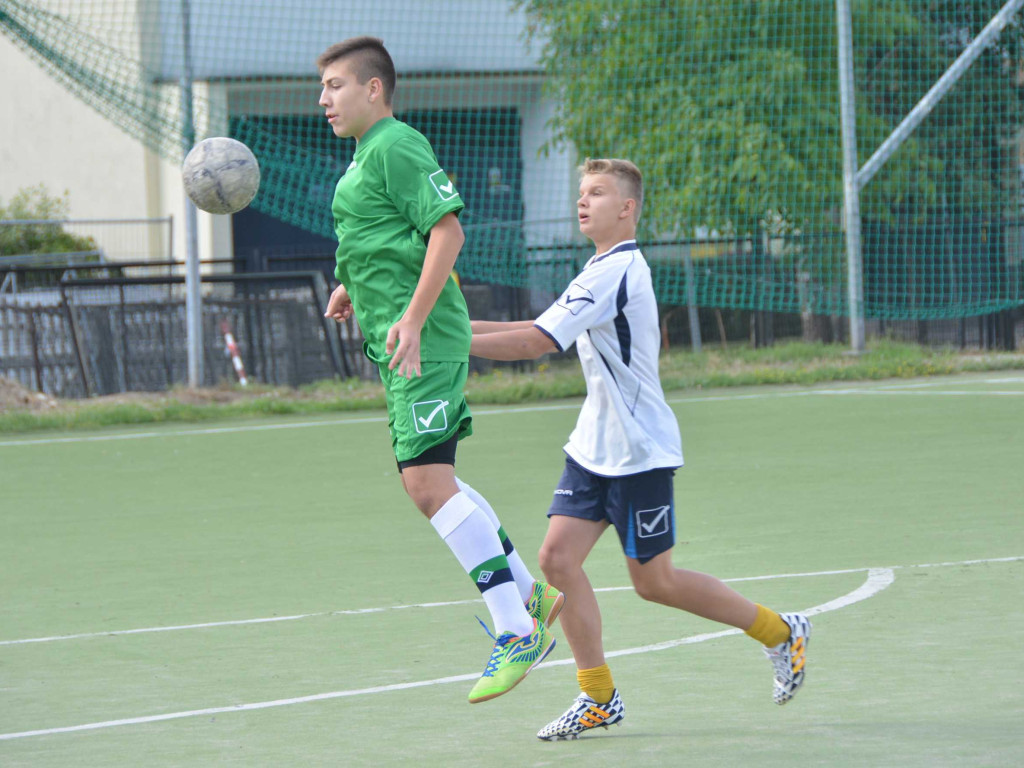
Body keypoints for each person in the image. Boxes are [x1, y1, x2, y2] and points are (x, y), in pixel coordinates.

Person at [470, 158, 811, 739]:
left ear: (627, 209)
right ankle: (598, 696)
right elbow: (536, 322)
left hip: (639, 451)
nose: (583, 201)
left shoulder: (619, 270)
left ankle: (781, 631)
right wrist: (428, 324)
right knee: (555, 561)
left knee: (655, 583)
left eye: (597, 193)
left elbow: (534, 341)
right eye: (581, 192)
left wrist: (437, 334)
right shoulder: (597, 267)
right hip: (593, 445)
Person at [317, 36, 563, 704]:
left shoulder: (396, 144)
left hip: (423, 341)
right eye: (322, 88)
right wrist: (351, 286)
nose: (324, 99)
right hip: (401, 344)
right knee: (430, 478)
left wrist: (416, 319)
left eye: (335, 85)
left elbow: (446, 232)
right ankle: (531, 596)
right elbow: (379, 238)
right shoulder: (366, 158)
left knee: (427, 482)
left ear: (374, 89)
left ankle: (517, 628)